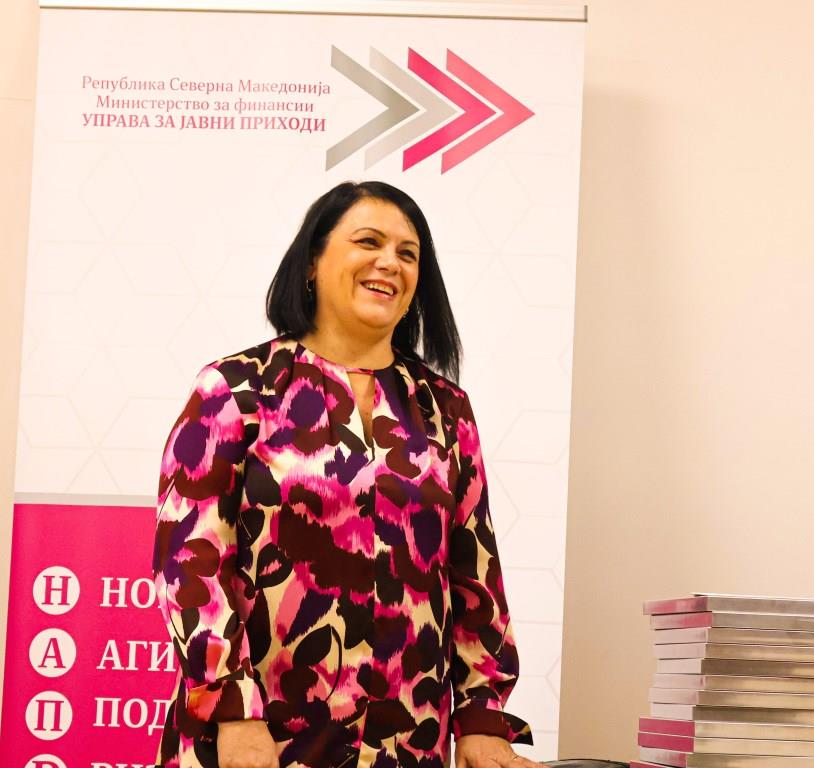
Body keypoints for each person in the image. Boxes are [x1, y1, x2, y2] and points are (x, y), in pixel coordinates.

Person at [152, 181, 545, 768]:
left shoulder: (445, 410)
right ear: (313, 261)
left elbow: (475, 576)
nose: (390, 262)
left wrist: (482, 719)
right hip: (256, 742)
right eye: (369, 242)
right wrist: (232, 710)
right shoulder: (236, 390)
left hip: (409, 743)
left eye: (408, 254)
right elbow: (189, 561)